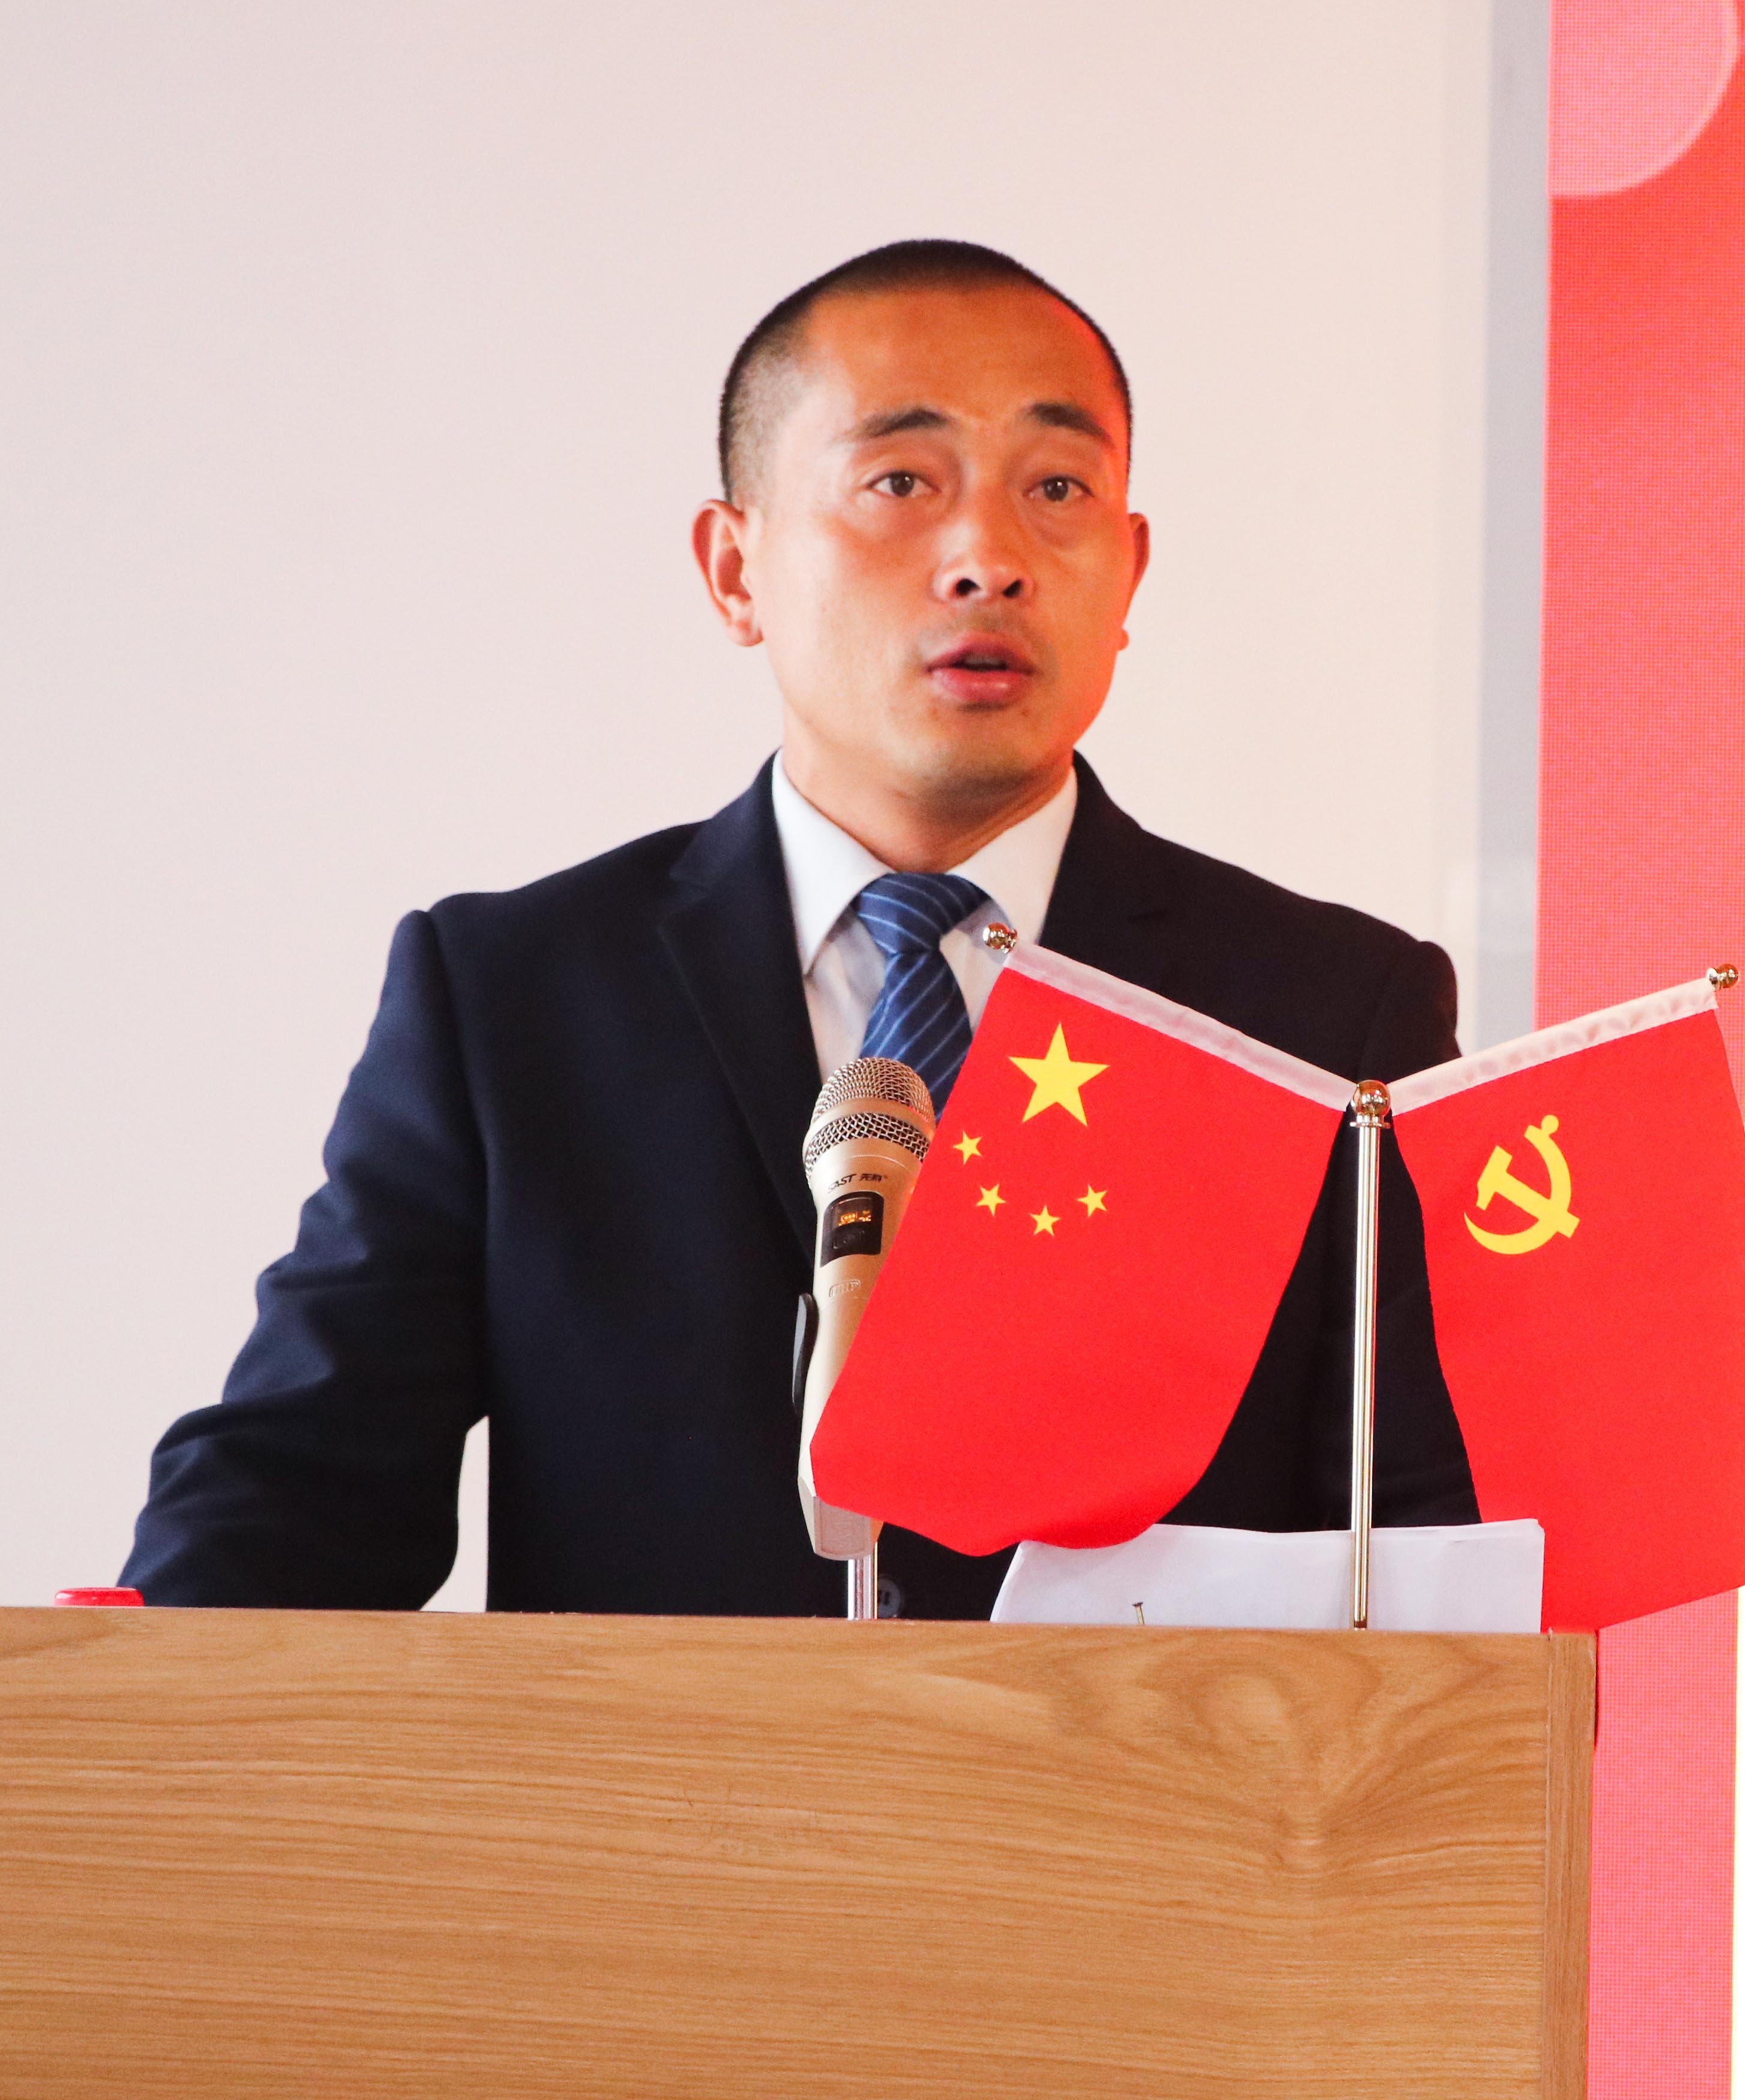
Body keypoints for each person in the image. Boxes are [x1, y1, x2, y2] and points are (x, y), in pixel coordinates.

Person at [125, 241, 1475, 1618]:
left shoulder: (1324, 1016)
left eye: (1057, 488)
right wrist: (97, 1691)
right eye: (902, 482)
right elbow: (300, 1492)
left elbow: (1433, 1555)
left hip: (1147, 1770)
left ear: (1128, 574)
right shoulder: (512, 1000)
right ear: (736, 569)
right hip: (667, 1768)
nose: (989, 559)